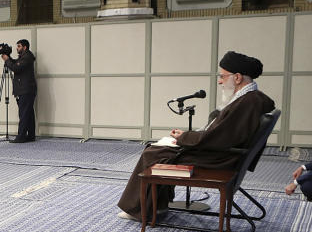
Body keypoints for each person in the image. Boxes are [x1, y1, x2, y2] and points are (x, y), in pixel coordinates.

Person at [116, 51, 276, 219]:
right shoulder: (250, 98)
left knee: (153, 153)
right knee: (160, 150)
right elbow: (222, 133)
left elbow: (218, 138)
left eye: (222, 76)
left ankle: (140, 210)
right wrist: (186, 136)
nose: (220, 81)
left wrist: (183, 138)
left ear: (237, 78)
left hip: (219, 159)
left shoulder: (247, 102)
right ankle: (157, 206)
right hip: (224, 153)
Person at [1, 39, 36, 143]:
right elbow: (16, 63)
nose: (17, 48)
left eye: (19, 46)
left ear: (25, 47)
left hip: (26, 90)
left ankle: (21, 137)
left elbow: (16, 68)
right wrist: (9, 58)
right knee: (28, 113)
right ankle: (30, 136)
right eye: (17, 46)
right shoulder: (24, 57)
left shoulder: (27, 57)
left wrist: (7, 60)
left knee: (24, 113)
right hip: (26, 89)